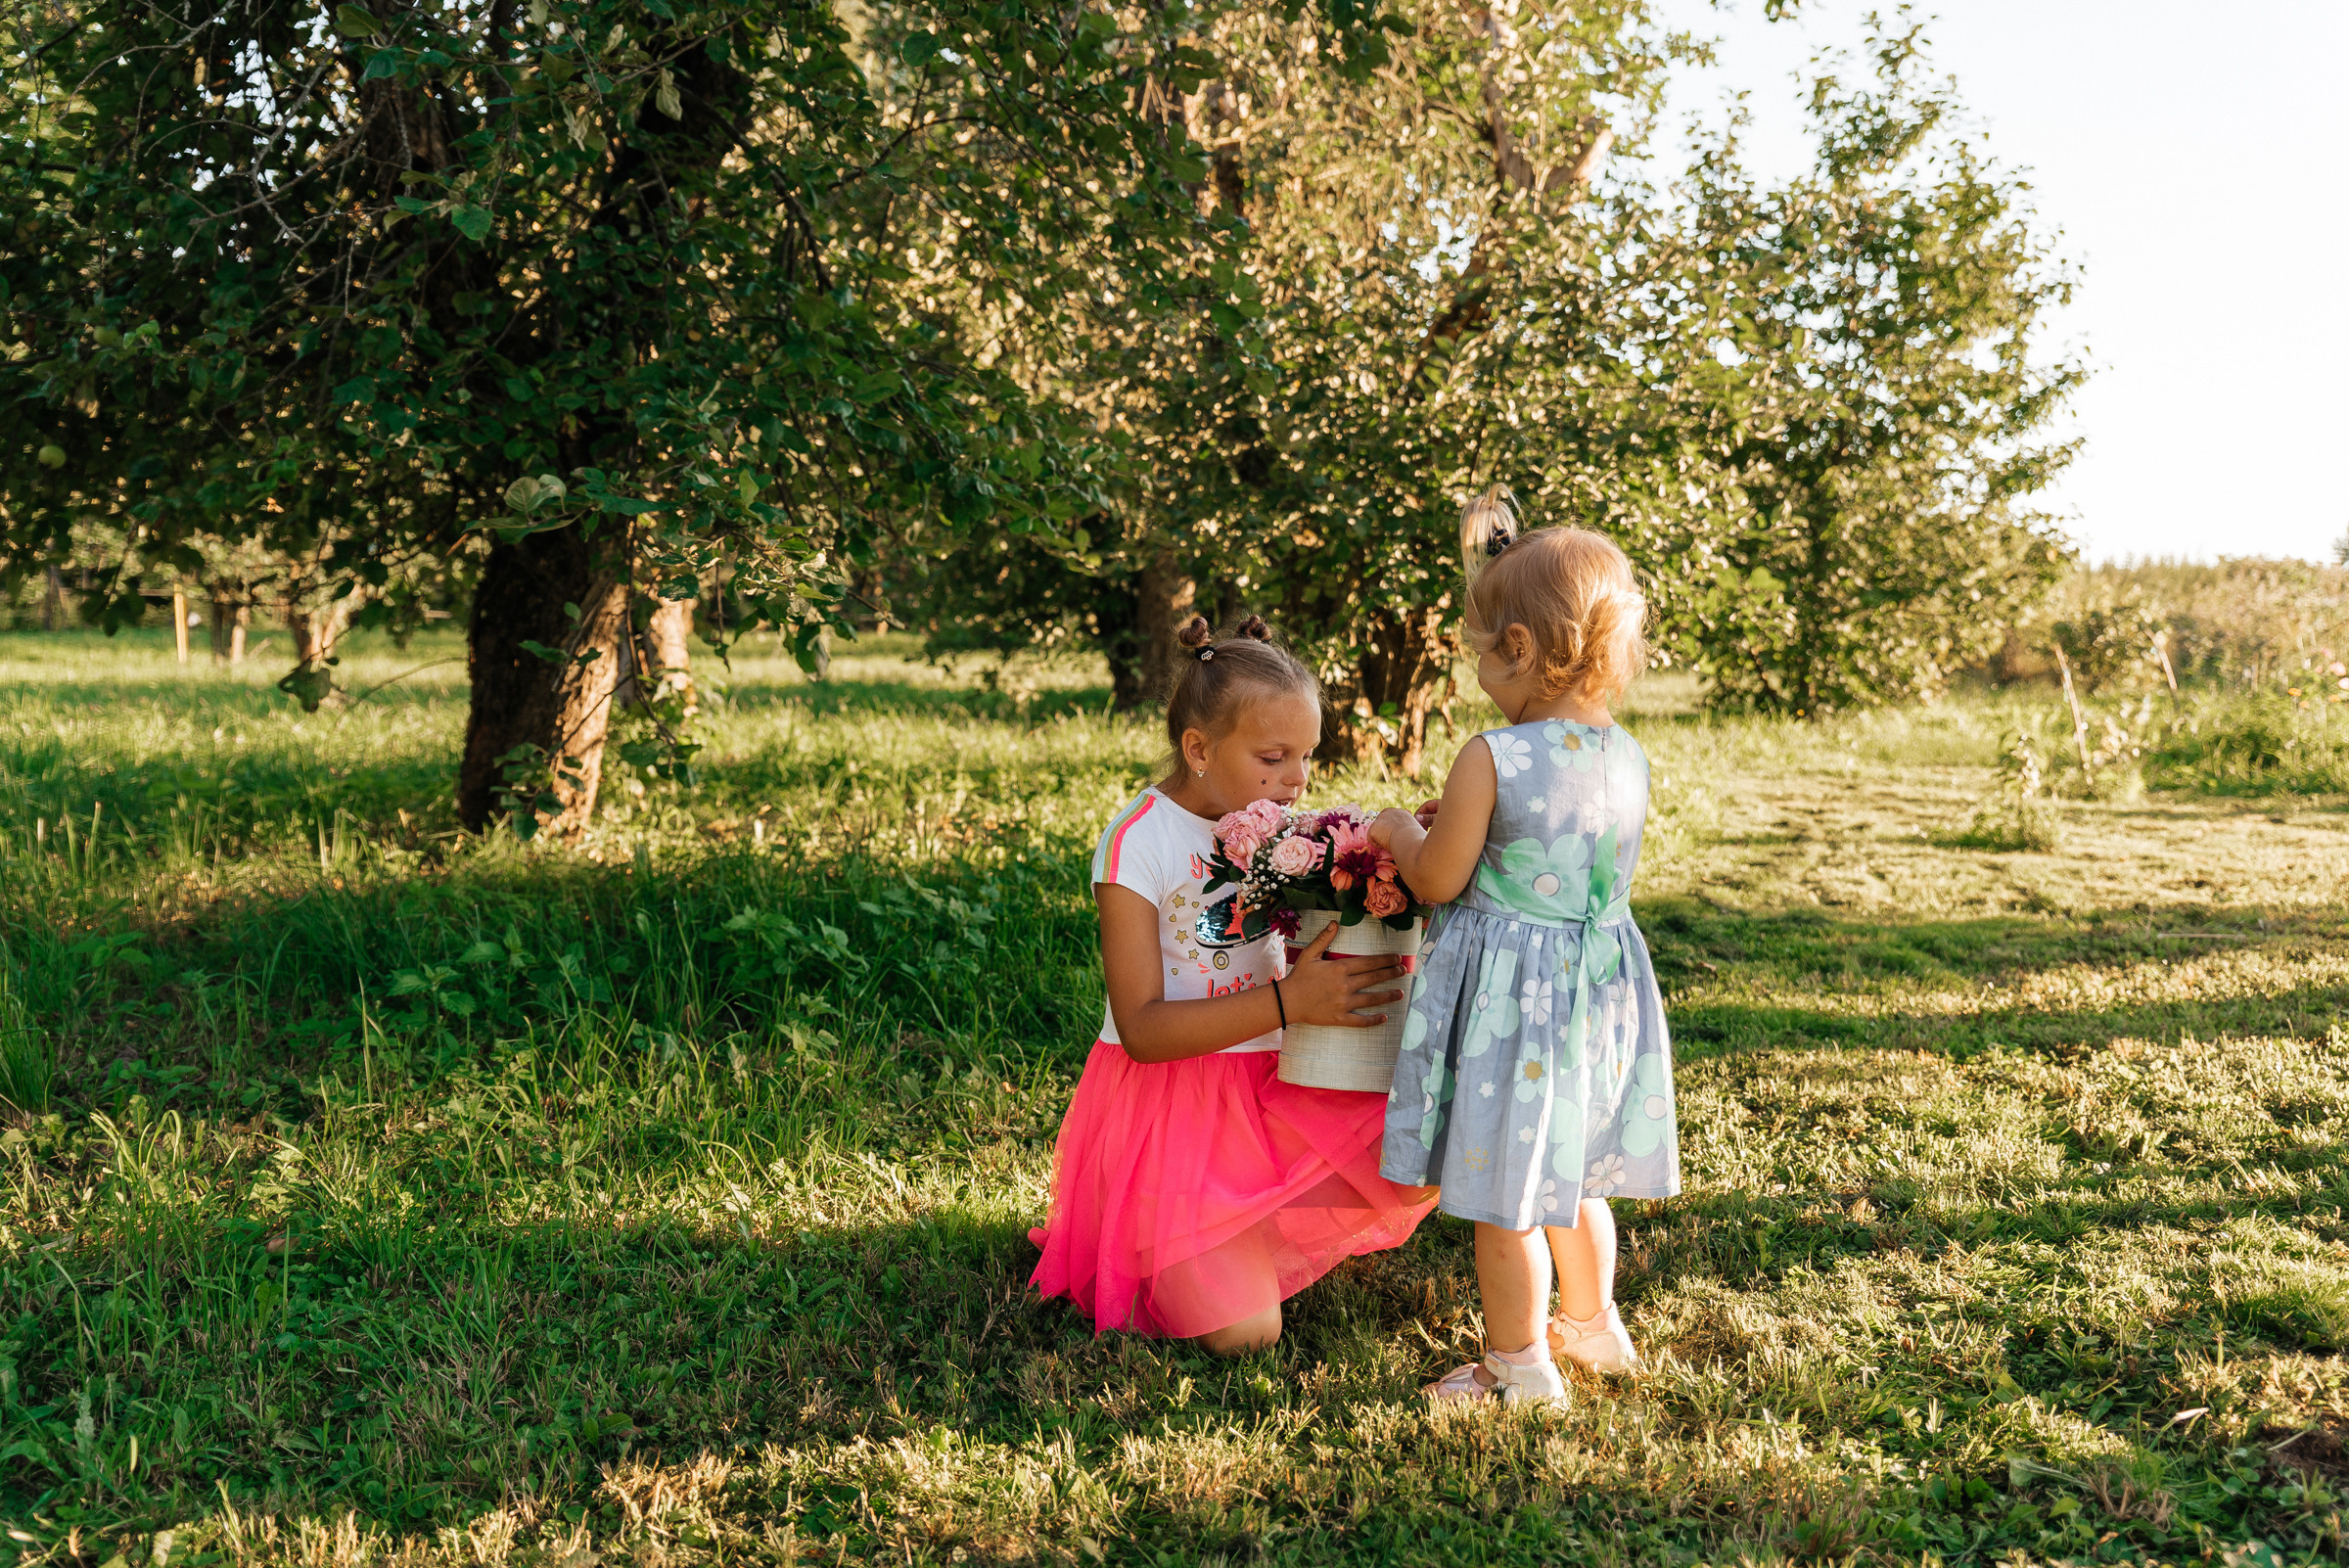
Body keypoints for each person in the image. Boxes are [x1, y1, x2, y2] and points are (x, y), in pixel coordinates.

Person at [1030, 615, 1441, 1354]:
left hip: (1272, 1088)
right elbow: (1145, 1030)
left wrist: (1399, 860)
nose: (1296, 780)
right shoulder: (1138, 843)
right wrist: (1289, 1001)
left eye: (1306, 756)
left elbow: (1339, 894)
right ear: (1198, 749)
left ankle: (1240, 1229)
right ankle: (1175, 1232)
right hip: (1172, 1113)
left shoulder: (1277, 831)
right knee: (1249, 1334)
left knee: (1417, 1159)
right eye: (1273, 757)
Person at [1370, 489, 1681, 1405]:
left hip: (1517, 1010)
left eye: (1483, 658)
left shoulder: (1492, 757)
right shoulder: (1625, 754)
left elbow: (1438, 879)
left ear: (1523, 651)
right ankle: (1593, 1327)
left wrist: (1397, 832)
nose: (1478, 681)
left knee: (1505, 1191)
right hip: (1597, 991)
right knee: (1576, 1172)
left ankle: (1518, 1366)